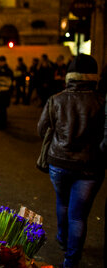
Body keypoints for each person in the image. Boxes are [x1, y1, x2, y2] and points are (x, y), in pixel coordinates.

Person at [37, 54, 105, 268]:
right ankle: (71, 260)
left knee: (63, 202)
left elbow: (41, 129)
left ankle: (63, 239)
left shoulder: (56, 99)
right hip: (89, 168)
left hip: (59, 162)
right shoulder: (101, 101)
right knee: (79, 215)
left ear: (69, 76)